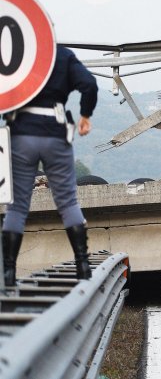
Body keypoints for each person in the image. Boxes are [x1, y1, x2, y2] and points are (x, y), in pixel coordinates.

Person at [2, 45, 98, 285]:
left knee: (17, 207)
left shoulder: (15, 53)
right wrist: (85, 115)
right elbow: (89, 85)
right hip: (55, 133)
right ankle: (83, 266)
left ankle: (9, 273)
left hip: (21, 135)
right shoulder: (62, 55)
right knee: (67, 202)